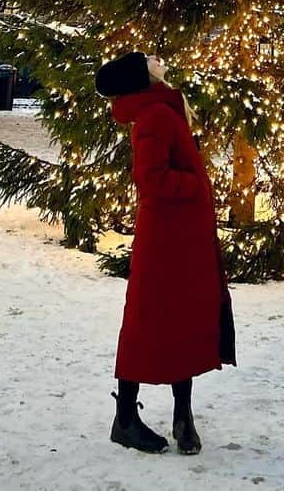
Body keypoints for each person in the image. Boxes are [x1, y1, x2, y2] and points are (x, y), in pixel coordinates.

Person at [95, 50, 235, 456]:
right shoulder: (155, 117)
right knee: (152, 324)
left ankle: (181, 417)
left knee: (180, 324)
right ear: (145, 81)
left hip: (178, 238)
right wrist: (197, 188)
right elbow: (152, 181)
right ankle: (127, 418)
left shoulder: (160, 112)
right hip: (166, 242)